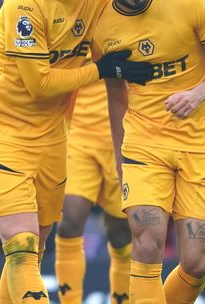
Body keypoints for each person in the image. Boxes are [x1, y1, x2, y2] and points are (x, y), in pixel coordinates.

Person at [0, 0, 153, 304]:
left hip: (54, 136)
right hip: (2, 132)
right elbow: (41, 85)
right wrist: (103, 69)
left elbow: (140, 27)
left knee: (30, 252)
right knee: (20, 244)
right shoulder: (26, 2)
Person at [89, 0, 205, 304]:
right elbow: (115, 97)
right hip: (144, 144)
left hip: (198, 145)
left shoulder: (188, 0)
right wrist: (118, 156)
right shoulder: (100, 29)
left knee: (197, 263)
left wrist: (198, 93)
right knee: (147, 242)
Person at [54, 81, 131, 304]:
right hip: (76, 134)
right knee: (70, 220)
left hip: (120, 134)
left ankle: (122, 299)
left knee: (120, 231)